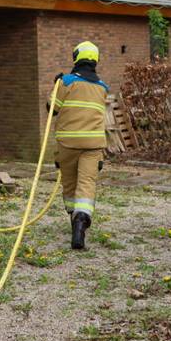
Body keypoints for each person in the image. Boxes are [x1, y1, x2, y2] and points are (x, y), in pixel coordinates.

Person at [49, 41, 109, 250]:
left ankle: (73, 219)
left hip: (68, 143)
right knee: (87, 183)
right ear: (95, 60)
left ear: (76, 58)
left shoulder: (66, 83)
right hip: (94, 145)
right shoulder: (102, 88)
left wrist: (57, 85)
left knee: (70, 184)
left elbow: (52, 110)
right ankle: (81, 222)